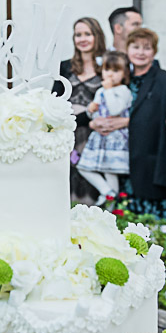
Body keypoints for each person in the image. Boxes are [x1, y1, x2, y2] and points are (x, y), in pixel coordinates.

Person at [93, 27, 166, 223]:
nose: (141, 52)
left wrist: (127, 122)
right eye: (135, 47)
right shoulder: (123, 80)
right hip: (122, 160)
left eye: (147, 48)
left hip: (150, 163)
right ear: (127, 50)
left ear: (154, 51)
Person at [54, 17, 107, 203]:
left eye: (87, 34)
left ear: (97, 36)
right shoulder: (65, 67)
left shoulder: (107, 67)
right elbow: (55, 101)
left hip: (95, 133)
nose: (82, 39)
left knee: (91, 177)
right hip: (68, 134)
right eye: (78, 35)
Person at [78, 51, 132, 206]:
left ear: (124, 73)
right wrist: (91, 110)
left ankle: (111, 209)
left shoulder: (123, 91)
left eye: (116, 71)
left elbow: (115, 109)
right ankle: (107, 192)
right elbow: (95, 114)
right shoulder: (101, 91)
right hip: (100, 137)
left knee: (110, 171)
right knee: (84, 167)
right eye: (107, 70)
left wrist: (108, 90)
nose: (110, 75)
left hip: (115, 138)